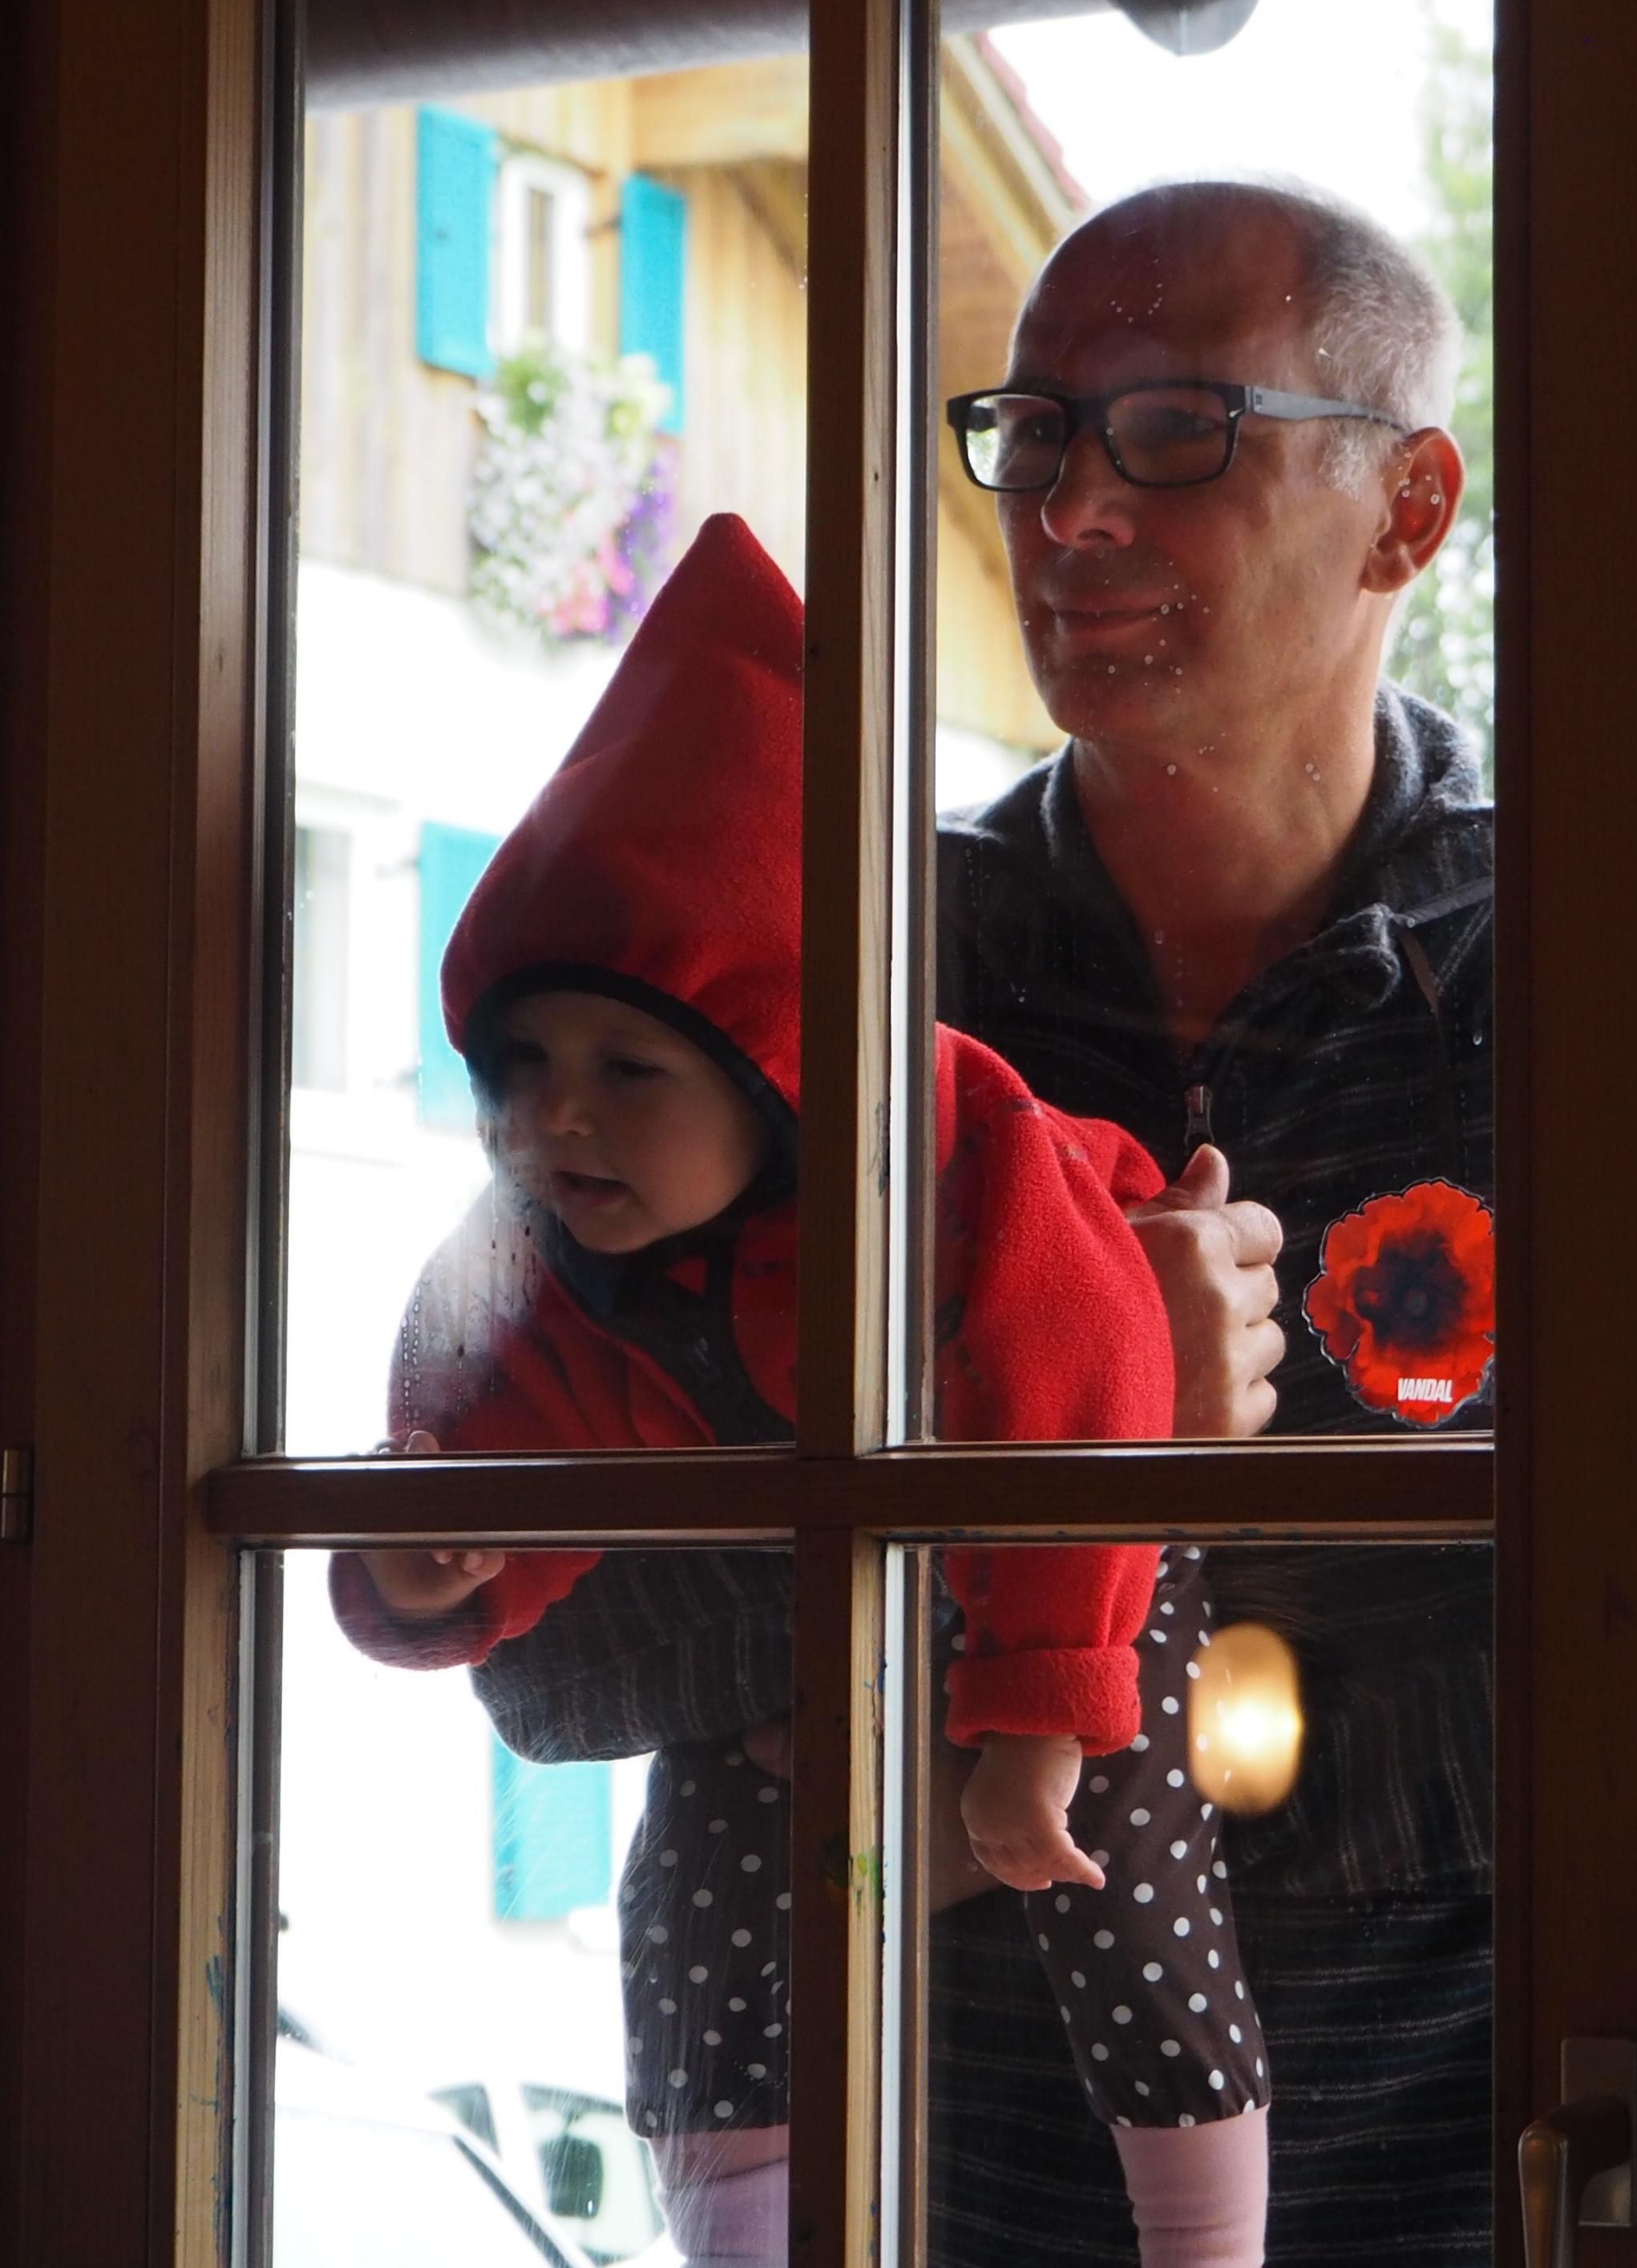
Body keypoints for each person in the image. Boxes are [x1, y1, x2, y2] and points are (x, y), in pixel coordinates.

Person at [459, 176, 1498, 2266]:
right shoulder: (815, 969)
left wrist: (1004, 1674)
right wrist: (1037, 1446)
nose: (1067, 510)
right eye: (1031, 436)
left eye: (1176, 431)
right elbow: (543, 1655)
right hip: (923, 2189)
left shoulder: (1584, 984)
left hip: (1500, 2166)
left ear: (1405, 511)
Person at [329, 514, 1275, 2268]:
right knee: (696, 1894)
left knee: (1119, 1857)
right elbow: (484, 1487)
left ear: (779, 1066)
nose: (559, 1116)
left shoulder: (967, 1162)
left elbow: (1081, 1414)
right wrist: (428, 1571)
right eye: (519, 1063)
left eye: (630, 1069)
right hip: (828, 1600)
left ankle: (1205, 2241)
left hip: (1074, 1541)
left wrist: (1025, 1720)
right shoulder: (537, 1259)